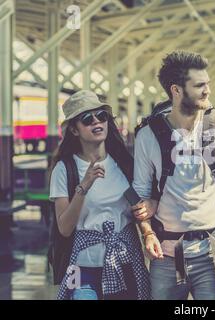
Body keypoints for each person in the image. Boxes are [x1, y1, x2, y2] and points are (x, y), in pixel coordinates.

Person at [134, 51, 215, 300]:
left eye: (208, 83)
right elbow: (140, 195)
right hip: (165, 256)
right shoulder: (148, 136)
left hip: (213, 253)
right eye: (199, 85)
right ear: (176, 90)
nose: (207, 91)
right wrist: (147, 233)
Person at [49, 90, 150, 300]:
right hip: (82, 268)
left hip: (126, 261)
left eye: (101, 116)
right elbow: (65, 229)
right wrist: (83, 186)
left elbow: (138, 207)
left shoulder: (124, 163)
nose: (96, 122)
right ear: (74, 130)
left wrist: (148, 226)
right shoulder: (64, 169)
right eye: (87, 119)